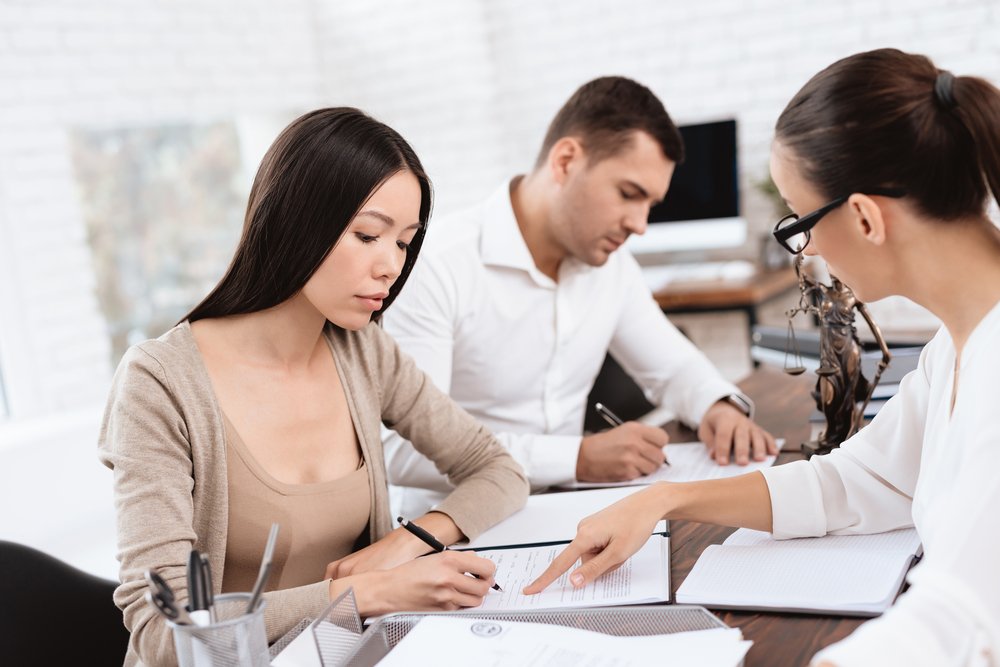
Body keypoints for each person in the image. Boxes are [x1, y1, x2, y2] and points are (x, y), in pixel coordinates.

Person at [524, 49, 1000, 665]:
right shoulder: (954, 346)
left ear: (863, 217)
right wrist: (666, 499)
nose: (805, 248)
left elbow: (963, 623)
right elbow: (860, 480)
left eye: (799, 222)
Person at [98, 108, 528, 666]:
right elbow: (163, 630)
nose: (390, 266)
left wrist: (410, 541)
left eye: (403, 242)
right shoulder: (159, 382)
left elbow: (498, 470)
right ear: (293, 221)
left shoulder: (364, 351)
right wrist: (370, 591)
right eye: (368, 235)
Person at [382, 76, 777, 517]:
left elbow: (673, 367)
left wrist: (716, 406)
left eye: (651, 204)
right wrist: (576, 458)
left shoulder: (610, 266)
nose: (640, 224)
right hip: (450, 530)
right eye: (629, 194)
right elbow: (402, 450)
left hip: (567, 511)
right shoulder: (435, 265)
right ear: (566, 160)